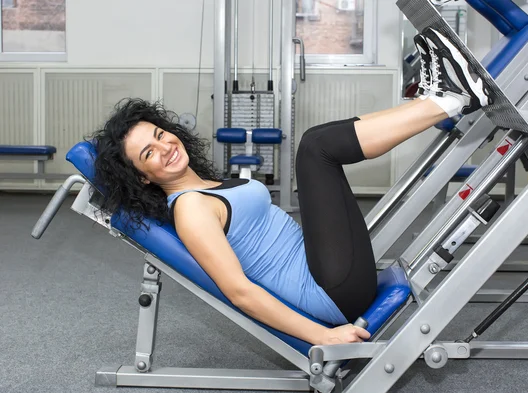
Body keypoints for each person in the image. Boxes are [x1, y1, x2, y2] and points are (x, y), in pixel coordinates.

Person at [91, 28, 489, 347]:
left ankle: (440, 99)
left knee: (325, 141)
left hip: (328, 271)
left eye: (162, 135)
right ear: (141, 177)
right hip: (329, 292)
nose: (165, 148)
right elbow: (239, 291)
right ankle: (448, 100)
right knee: (316, 147)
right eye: (149, 153)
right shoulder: (190, 209)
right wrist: (323, 335)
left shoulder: (208, 184)